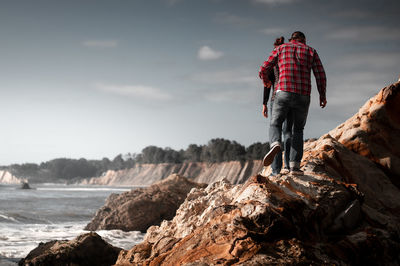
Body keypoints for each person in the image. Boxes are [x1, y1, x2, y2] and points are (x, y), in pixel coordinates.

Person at [260, 31, 327, 175]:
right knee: (297, 130)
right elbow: (320, 74)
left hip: (283, 92)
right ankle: (295, 167)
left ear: (291, 39)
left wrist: (265, 80)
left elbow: (264, 67)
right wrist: (322, 94)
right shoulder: (311, 51)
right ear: (304, 40)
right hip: (303, 95)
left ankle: (276, 143)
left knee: (275, 123)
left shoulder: (281, 48)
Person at [260, 36, 293, 176]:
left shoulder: (272, 63)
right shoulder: (289, 63)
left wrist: (264, 103)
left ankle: (275, 171)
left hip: (276, 99)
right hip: (291, 97)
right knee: (288, 132)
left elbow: (267, 85)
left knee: (275, 134)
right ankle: (289, 167)